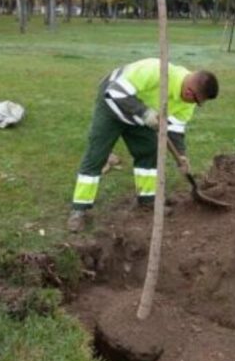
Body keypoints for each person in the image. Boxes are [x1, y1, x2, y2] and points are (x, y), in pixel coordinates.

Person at [67, 58, 219, 232]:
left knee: (149, 151)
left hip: (143, 118)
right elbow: (115, 91)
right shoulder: (155, 71)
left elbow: (175, 129)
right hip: (112, 107)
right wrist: (144, 113)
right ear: (189, 92)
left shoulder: (186, 103)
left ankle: (147, 200)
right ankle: (79, 210)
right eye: (197, 100)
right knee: (96, 155)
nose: (196, 105)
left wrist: (181, 155)